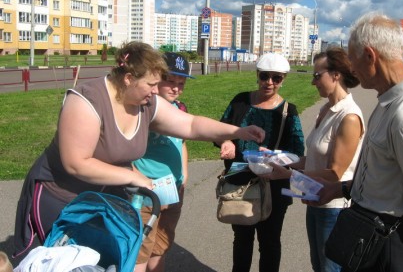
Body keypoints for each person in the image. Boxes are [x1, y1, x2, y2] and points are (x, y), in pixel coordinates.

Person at [13, 42, 265, 258]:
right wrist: (133, 176)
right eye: (151, 84)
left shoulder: (145, 103)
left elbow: (189, 123)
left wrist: (237, 131)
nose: (157, 91)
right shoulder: (86, 100)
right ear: (128, 78)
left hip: (102, 200)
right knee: (54, 260)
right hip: (60, 199)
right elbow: (76, 162)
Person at [312, 13, 403, 272]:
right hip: (372, 233)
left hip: (389, 244)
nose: (352, 70)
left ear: (370, 56)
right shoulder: (389, 101)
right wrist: (338, 189)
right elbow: (384, 178)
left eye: (353, 61)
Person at [264, 48, 365, 272]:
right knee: (319, 265)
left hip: (335, 207)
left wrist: (289, 175)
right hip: (315, 200)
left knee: (330, 268)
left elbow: (334, 173)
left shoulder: (348, 116)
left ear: (336, 74)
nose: (313, 82)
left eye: (317, 75)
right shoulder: (327, 109)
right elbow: (315, 159)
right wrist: (280, 159)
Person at [217, 53, 305, 272]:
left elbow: (297, 152)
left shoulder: (288, 111)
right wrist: (226, 141)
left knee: (270, 242)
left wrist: (274, 156)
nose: (270, 82)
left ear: (283, 79)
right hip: (240, 184)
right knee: (242, 239)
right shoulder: (240, 101)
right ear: (257, 75)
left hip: (273, 185)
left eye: (277, 78)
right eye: (265, 76)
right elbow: (220, 130)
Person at [134, 52, 194, 272]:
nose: (176, 87)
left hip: (174, 189)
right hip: (146, 193)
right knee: (140, 251)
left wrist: (184, 174)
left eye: (181, 82)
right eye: (170, 80)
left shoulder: (180, 109)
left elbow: (183, 143)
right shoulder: (142, 110)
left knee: (160, 246)